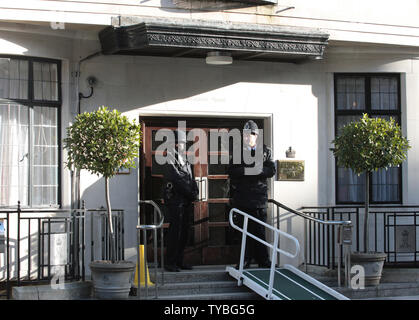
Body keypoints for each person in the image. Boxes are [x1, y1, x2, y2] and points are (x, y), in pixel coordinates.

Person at [228, 120, 276, 268]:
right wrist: (247, 171)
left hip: (259, 199)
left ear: (257, 135)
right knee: (244, 232)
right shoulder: (237, 153)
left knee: (260, 231)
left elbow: (271, 170)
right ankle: (245, 260)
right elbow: (231, 171)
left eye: (252, 135)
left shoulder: (265, 151)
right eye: (246, 135)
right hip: (243, 198)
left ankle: (263, 260)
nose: (249, 138)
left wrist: (259, 170)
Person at [162, 129, 199, 272]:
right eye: (179, 143)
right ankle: (170, 262)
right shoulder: (169, 158)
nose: (182, 146)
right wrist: (190, 193)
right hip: (176, 201)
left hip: (186, 201)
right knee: (175, 232)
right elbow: (177, 179)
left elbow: (190, 177)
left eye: (183, 143)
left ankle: (179, 260)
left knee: (184, 233)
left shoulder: (186, 159)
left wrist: (195, 191)